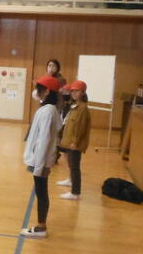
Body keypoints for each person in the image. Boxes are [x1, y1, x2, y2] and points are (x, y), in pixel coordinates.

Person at [21, 75, 63, 239]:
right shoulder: (48, 109)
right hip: (40, 159)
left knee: (41, 192)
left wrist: (38, 166)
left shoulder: (48, 112)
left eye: (39, 88)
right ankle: (41, 225)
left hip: (41, 160)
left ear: (46, 91)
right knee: (41, 191)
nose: (35, 91)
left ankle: (41, 227)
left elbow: (44, 140)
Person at [57, 80, 91, 201]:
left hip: (74, 144)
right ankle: (72, 184)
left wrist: (75, 142)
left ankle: (75, 192)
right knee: (72, 165)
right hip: (70, 142)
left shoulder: (82, 108)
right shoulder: (75, 106)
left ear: (83, 92)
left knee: (75, 167)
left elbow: (80, 128)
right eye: (72, 91)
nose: (74, 93)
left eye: (77, 91)